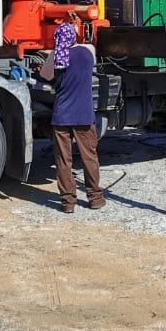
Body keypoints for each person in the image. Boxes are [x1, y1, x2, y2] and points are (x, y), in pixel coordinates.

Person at [45, 21, 104, 213]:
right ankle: (95, 198)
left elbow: (46, 76)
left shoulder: (56, 57)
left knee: (63, 160)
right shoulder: (87, 53)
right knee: (89, 157)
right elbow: (87, 44)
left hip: (62, 116)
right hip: (84, 116)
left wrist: (52, 53)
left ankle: (68, 203)